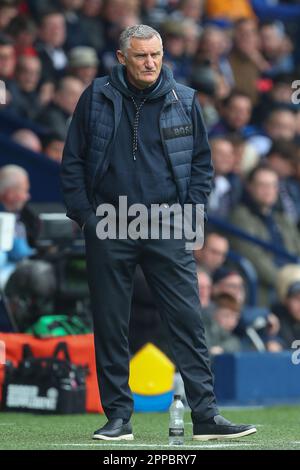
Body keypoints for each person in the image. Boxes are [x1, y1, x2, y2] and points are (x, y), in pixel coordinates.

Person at [61, 24, 256, 441]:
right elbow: (73, 160)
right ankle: (118, 418)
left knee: (188, 320)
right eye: (140, 56)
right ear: (121, 58)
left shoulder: (184, 99)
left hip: (168, 223)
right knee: (112, 322)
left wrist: (191, 213)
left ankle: (206, 416)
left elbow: (202, 164)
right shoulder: (95, 96)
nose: (150, 63)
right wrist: (86, 217)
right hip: (109, 222)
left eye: (156, 55)